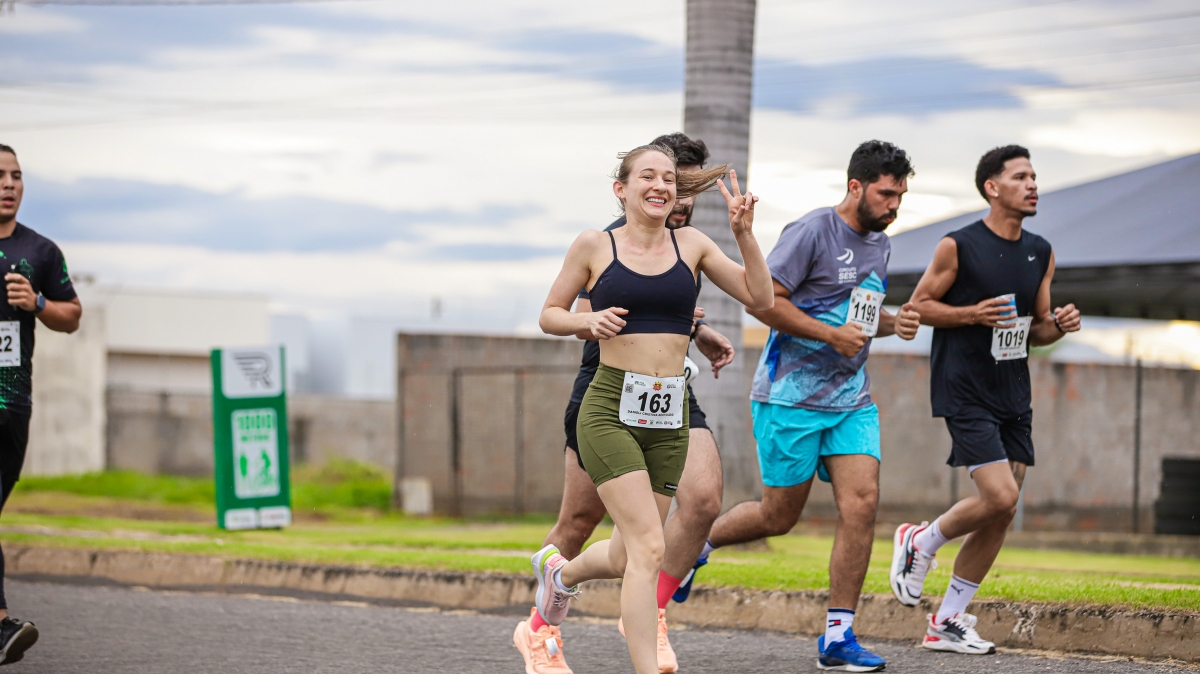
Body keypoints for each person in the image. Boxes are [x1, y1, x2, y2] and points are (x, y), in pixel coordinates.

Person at [531, 144, 773, 674]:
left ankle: (560, 576)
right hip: (609, 408)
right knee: (648, 547)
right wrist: (585, 322)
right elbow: (550, 314)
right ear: (622, 188)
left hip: (668, 416)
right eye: (647, 176)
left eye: (669, 178)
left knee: (626, 555)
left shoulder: (693, 244)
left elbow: (762, 299)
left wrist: (744, 234)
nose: (661, 185)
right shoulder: (595, 245)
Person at [685, 140, 920, 672]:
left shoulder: (881, 245)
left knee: (862, 504)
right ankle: (696, 545)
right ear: (856, 186)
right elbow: (764, 302)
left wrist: (895, 322)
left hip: (851, 400)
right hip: (789, 397)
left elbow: (859, 318)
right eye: (886, 194)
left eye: (901, 196)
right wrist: (831, 336)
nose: (894, 205)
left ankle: (838, 636)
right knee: (778, 517)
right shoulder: (813, 231)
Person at [891, 145, 1081, 654]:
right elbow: (919, 306)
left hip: (1013, 390)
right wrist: (972, 314)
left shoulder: (1041, 251)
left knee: (1002, 511)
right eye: (1020, 177)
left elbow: (1038, 329)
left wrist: (1059, 325)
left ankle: (946, 621)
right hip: (964, 387)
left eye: (1034, 176)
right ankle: (920, 541)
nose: (1032, 184)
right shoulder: (958, 246)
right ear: (992, 188)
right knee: (999, 496)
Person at [0, 144, 83, 665]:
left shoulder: (40, 252)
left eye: (16, 175)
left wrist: (38, 303)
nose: (9, 184)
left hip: (11, 407)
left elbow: (72, 315)